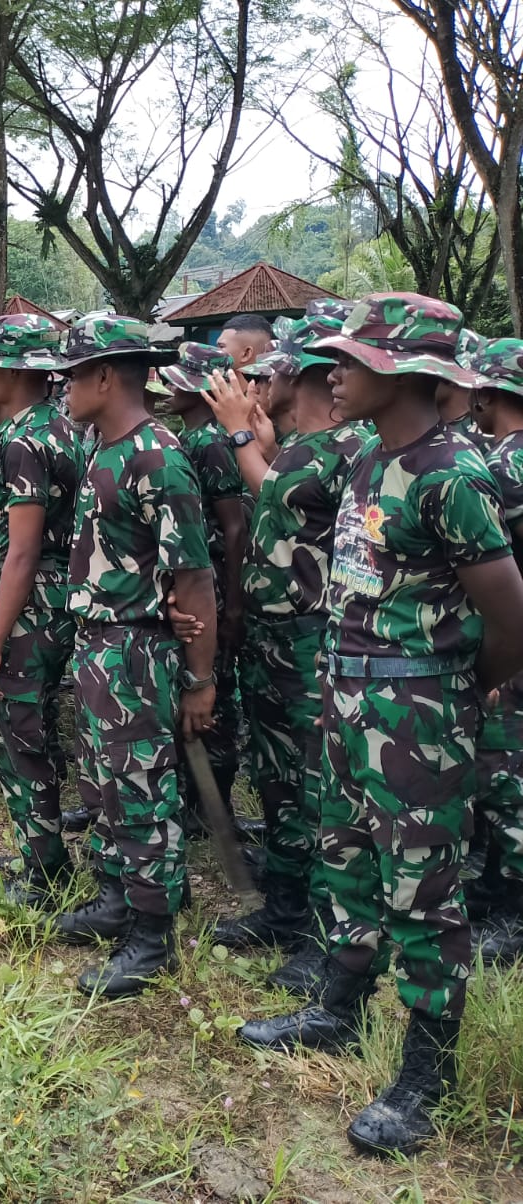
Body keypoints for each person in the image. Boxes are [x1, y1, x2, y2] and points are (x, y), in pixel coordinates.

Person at [236, 293, 523, 1159]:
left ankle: (423, 1073)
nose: (333, 378)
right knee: (349, 857)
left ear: (400, 372)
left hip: (419, 710)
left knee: (425, 895)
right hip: (348, 697)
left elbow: (510, 610)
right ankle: (337, 1004)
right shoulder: (367, 458)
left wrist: (462, 692)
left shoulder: (451, 475)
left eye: (350, 363)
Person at [194, 302, 367, 995]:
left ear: (311, 376)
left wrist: (241, 437)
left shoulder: (346, 448)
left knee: (317, 788)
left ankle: (326, 934)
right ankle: (286, 908)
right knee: (277, 781)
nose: (257, 382)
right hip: (274, 636)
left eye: (270, 373)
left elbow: (275, 501)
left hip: (310, 639)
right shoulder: (301, 447)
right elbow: (279, 502)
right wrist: (256, 439)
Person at [48, 314, 217, 999]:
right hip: (98, 641)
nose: (63, 391)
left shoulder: (156, 456)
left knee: (141, 789)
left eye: (71, 377)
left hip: (137, 647)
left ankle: (152, 935)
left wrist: (200, 679)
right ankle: (118, 895)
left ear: (106, 377)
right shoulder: (104, 448)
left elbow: (196, 577)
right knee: (104, 785)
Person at [0, 316, 84, 908]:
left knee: (16, 729)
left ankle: (43, 869)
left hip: (32, 598)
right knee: (33, 724)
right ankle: (45, 851)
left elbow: (23, 550)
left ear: (14, 370)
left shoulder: (22, 439)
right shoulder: (63, 427)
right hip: (60, 593)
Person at [160, 343, 248, 810]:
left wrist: (231, 603)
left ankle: (214, 807)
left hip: (210, 580)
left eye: (180, 380)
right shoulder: (189, 437)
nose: (170, 387)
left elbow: (234, 527)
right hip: (194, 580)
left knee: (213, 689)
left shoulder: (210, 441)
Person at [468, 337, 523, 964]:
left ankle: (513, 907)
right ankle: (492, 884)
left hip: (510, 641)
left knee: (504, 777)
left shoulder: (503, 466)